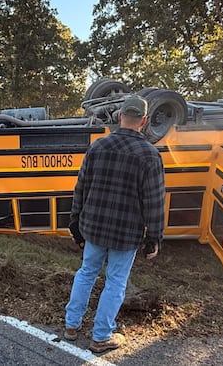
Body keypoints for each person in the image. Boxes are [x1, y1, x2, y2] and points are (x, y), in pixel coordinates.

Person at [64, 95, 165, 353]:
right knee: (116, 282)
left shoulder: (98, 147)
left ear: (120, 117)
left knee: (86, 272)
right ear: (144, 121)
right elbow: (154, 201)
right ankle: (100, 337)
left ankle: (71, 326)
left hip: (94, 227)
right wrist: (154, 236)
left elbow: (81, 189)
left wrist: (74, 222)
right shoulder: (149, 155)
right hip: (126, 233)